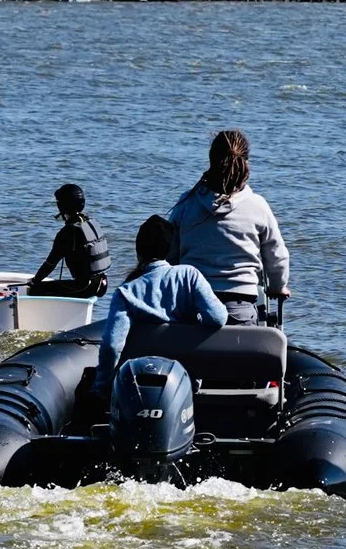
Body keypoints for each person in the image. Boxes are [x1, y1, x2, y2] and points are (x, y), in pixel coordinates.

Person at [166, 128, 290, 326]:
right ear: (245, 164)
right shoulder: (257, 205)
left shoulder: (187, 202)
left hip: (192, 304)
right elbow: (277, 257)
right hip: (239, 308)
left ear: (211, 161)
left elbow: (170, 255)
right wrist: (277, 286)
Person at [92, 215, 226, 396]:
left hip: (138, 382)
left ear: (138, 251)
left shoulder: (126, 291)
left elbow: (112, 346)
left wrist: (101, 387)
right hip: (185, 381)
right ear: (170, 250)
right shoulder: (189, 275)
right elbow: (217, 317)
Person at [27, 183, 111, 298]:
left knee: (35, 290)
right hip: (101, 284)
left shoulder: (68, 232)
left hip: (85, 287)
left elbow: (50, 263)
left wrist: (34, 281)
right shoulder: (89, 223)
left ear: (62, 206)